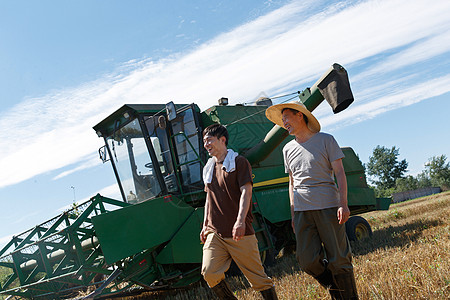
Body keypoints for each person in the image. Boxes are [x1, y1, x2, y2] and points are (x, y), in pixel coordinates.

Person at [265, 101, 358, 300]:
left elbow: (340, 173)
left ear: (300, 115)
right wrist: (293, 213)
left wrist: (343, 203)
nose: (284, 122)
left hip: (328, 206)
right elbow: (291, 183)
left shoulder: (326, 140)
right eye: (282, 120)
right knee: (307, 261)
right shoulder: (287, 149)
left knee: (339, 259)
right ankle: (335, 289)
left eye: (287, 117)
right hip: (301, 211)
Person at [200, 123, 278, 300]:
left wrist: (241, 221)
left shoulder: (239, 162)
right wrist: (205, 224)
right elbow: (209, 199)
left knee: (258, 279)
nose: (206, 145)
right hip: (215, 232)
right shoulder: (208, 168)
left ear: (222, 140)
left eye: (209, 140)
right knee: (209, 272)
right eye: (204, 141)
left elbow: (246, 192)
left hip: (239, 234)